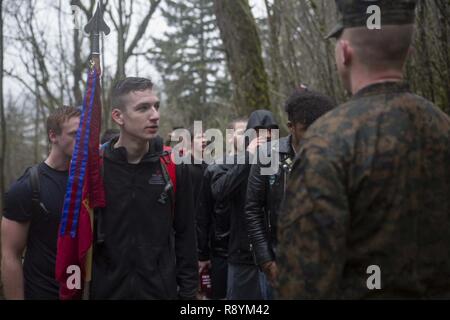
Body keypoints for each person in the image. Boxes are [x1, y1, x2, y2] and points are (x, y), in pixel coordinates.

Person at [276, 0, 450, 299]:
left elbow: (303, 284)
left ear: (344, 53)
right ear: (407, 53)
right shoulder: (443, 126)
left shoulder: (327, 141)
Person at [90, 77, 198, 300]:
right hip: (106, 292)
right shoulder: (95, 168)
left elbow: (186, 238)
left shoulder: (174, 166)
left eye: (156, 106)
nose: (155, 115)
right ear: (118, 116)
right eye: (143, 108)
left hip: (160, 292)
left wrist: (188, 294)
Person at [245, 87, 335, 292]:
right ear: (291, 127)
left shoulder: (336, 154)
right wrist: (267, 261)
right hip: (281, 262)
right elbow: (252, 209)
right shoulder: (268, 155)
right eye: (307, 129)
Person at [1, 106, 81, 300]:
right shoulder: (27, 186)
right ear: (53, 136)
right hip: (42, 291)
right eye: (74, 134)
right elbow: (9, 255)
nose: (82, 140)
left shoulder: (88, 182)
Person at [211, 110, 278, 300]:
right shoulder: (229, 163)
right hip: (241, 255)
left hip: (275, 254)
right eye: (257, 133)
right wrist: (249, 157)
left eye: (269, 133)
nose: (263, 138)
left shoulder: (282, 160)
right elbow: (219, 191)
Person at [197, 118, 247, 300]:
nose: (247, 137)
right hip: (222, 252)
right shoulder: (215, 168)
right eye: (242, 133)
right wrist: (202, 254)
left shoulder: (261, 167)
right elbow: (203, 215)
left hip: (252, 254)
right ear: (229, 137)